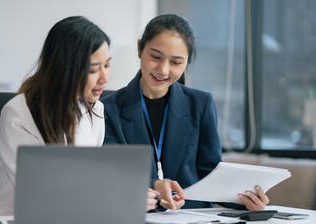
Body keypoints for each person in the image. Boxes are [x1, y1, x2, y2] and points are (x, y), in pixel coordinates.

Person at [0, 16, 158, 216]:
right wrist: (120, 198)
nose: (105, 78)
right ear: (65, 69)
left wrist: (132, 193)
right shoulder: (19, 113)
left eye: (107, 65)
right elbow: (41, 192)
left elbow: (88, 180)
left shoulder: (95, 109)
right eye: (93, 69)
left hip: (68, 219)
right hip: (10, 222)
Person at [101, 14, 269, 211]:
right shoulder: (107, 109)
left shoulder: (201, 104)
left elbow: (211, 175)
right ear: (139, 48)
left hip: (194, 220)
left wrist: (246, 200)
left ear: (187, 62)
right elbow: (110, 175)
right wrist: (151, 184)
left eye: (176, 62)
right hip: (138, 221)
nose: (163, 70)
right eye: (155, 57)